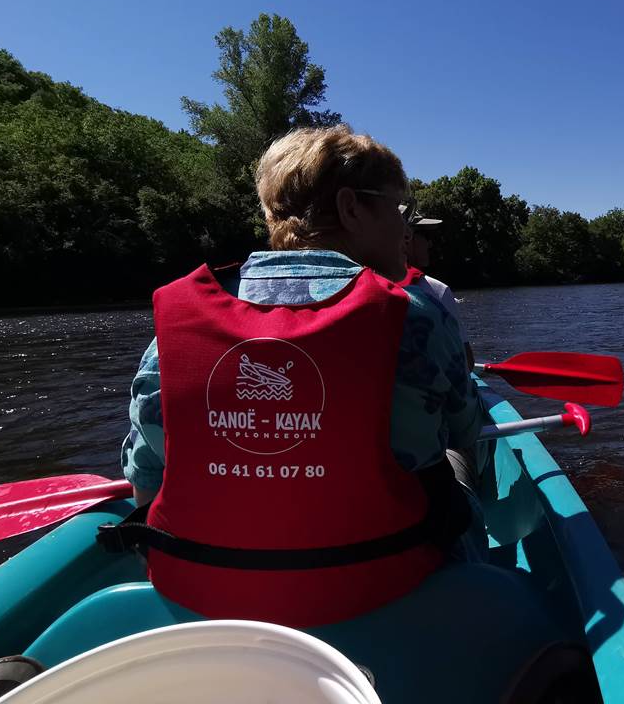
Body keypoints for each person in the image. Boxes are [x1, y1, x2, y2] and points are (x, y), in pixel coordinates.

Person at [110, 125, 487, 628]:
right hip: (384, 583)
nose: (406, 231)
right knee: (459, 463)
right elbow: (467, 433)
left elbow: (144, 476)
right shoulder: (416, 315)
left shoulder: (177, 326)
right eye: (399, 211)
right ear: (352, 207)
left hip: (201, 591)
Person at [400, 212, 474, 372]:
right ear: (407, 236)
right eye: (425, 236)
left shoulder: (363, 284)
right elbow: (466, 364)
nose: (430, 244)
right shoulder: (438, 290)